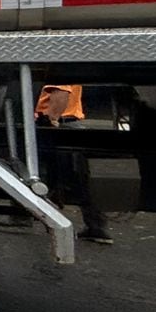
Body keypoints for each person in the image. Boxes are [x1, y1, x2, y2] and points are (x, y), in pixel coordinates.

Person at [36, 83, 110, 244]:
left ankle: (23, 215)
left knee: (59, 176)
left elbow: (61, 92)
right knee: (77, 179)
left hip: (60, 122)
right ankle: (96, 227)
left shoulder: (53, 61)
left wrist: (51, 120)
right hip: (66, 121)